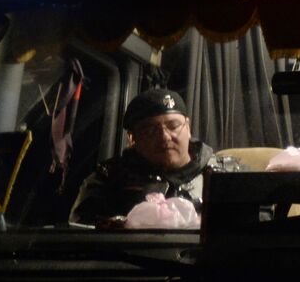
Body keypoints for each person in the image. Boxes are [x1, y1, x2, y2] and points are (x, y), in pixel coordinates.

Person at [70, 88, 219, 226]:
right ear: (132, 138)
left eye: (173, 126)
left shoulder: (222, 175)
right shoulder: (109, 179)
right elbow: (81, 230)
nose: (164, 137)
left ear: (188, 127)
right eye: (150, 130)